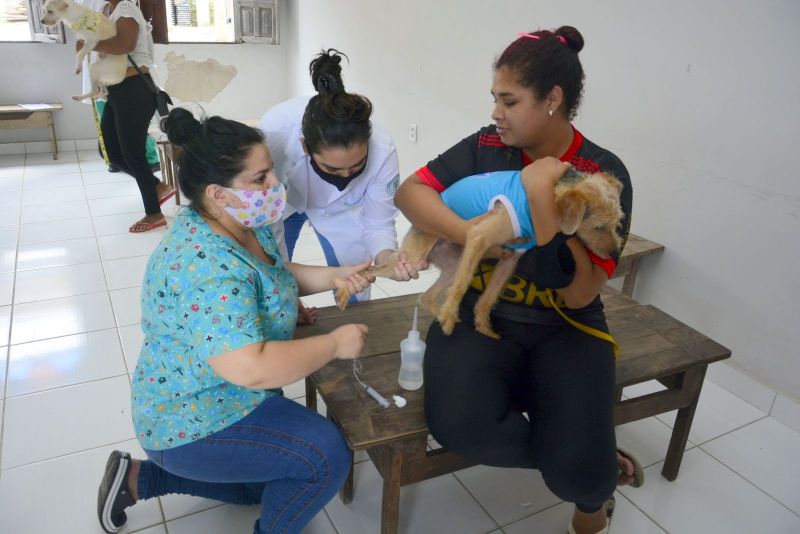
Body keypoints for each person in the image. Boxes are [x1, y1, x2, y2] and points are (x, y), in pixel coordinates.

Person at [395, 27, 638, 534]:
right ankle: (580, 458)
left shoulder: (600, 172)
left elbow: (578, 291)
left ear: (553, 99)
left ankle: (590, 499)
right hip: (483, 311)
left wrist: (542, 200)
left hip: (565, 326)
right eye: (494, 99)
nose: (495, 113)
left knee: (580, 478)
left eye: (509, 101)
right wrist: (473, 235)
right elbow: (411, 193)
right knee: (460, 427)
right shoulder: (488, 146)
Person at [96, 108, 375, 534]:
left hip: (228, 398)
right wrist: (335, 344)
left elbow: (277, 275)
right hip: (192, 418)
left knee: (260, 485)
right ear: (218, 193)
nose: (276, 186)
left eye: (272, 173)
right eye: (260, 179)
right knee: (324, 456)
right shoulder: (203, 263)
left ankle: (140, 478)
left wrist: (337, 275)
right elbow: (251, 366)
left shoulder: (244, 222)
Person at [261, 49, 422, 303]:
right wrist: (286, 291)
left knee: (353, 286)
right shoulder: (274, 136)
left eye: (357, 166)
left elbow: (378, 222)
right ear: (305, 147)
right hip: (285, 203)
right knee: (274, 283)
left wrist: (388, 257)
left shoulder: (383, 150)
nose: (346, 175)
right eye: (333, 170)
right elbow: (268, 221)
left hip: (339, 213)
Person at [87, 0, 175, 232]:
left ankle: (154, 214)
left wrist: (89, 43)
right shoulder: (107, 10)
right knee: (112, 153)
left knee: (132, 154)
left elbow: (125, 44)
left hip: (135, 88)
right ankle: (157, 186)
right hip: (116, 90)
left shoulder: (126, 9)